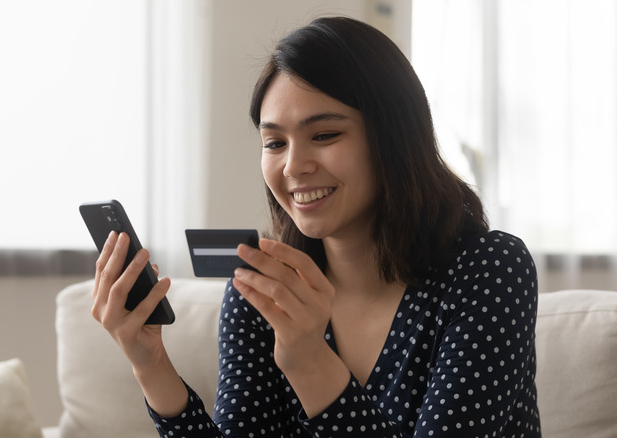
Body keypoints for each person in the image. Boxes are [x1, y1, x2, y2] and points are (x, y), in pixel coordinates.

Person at [91, 16, 541, 437]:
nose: (294, 166)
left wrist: (309, 360)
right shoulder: (263, 290)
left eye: (324, 135)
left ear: (395, 138)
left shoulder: (490, 269)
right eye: (274, 142)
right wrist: (151, 365)